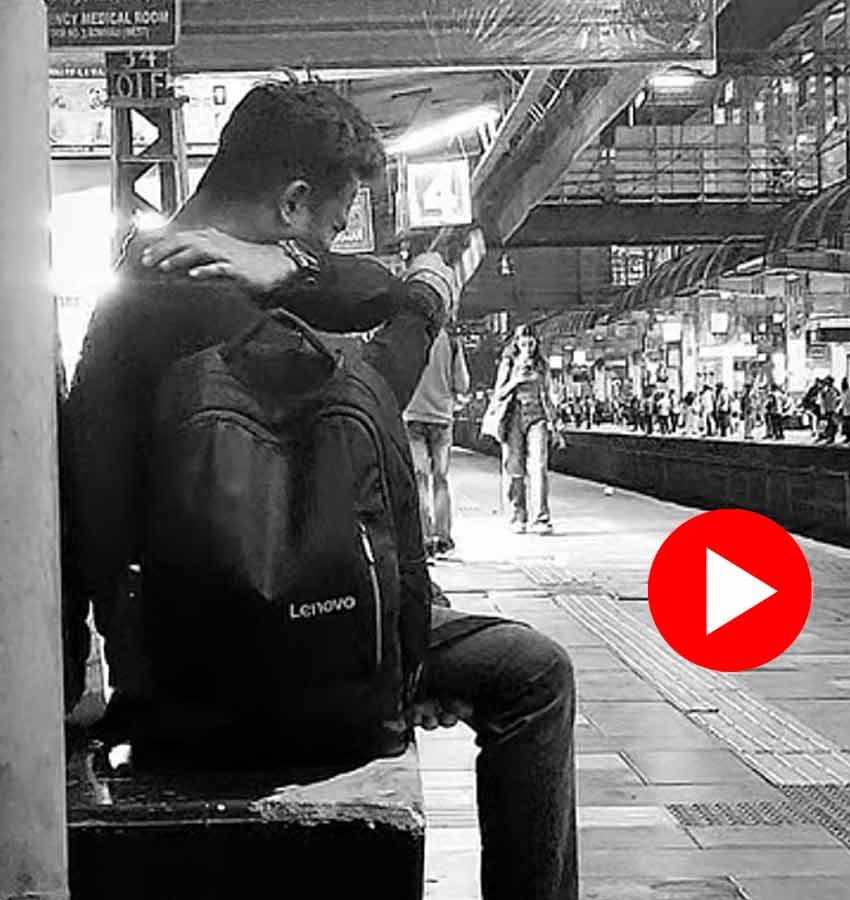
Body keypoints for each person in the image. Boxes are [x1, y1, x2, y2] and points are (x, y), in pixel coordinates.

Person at [62, 78, 577, 900]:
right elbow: (368, 392)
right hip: (267, 659)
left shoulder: (132, 289)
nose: (332, 243)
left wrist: (294, 266)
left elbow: (92, 523)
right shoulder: (216, 311)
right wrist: (409, 296)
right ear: (294, 201)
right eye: (330, 224)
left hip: (165, 654)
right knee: (534, 674)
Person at [404, 323, 470, 557]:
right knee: (440, 480)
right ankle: (443, 539)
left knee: (419, 480)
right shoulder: (451, 341)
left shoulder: (406, 335)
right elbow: (462, 384)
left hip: (411, 415)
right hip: (442, 418)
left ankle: (423, 540)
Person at [486, 324, 556, 535]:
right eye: (523, 343)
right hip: (514, 415)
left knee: (539, 466)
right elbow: (498, 394)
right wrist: (516, 379)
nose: (527, 347)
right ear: (516, 344)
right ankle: (517, 515)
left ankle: (541, 518)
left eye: (531, 343)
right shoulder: (508, 363)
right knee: (514, 467)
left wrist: (554, 422)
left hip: (538, 417)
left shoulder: (542, 365)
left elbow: (548, 394)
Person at [818, 375, 840, 443]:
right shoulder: (825, 390)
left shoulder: (834, 390)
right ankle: (826, 435)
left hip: (832, 409)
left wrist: (837, 407)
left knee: (832, 423)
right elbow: (822, 399)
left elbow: (839, 398)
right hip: (827, 408)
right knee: (827, 423)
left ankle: (831, 436)